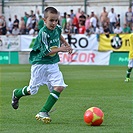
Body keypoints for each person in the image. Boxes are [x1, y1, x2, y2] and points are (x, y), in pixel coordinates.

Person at [11, 6, 73, 124]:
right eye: (51, 20)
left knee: (59, 87)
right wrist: (61, 48)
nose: (54, 23)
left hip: (53, 63)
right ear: (44, 20)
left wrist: (66, 44)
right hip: (40, 64)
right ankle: (16, 93)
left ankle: (43, 111)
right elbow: (46, 52)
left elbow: (59, 33)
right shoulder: (43, 33)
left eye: (56, 20)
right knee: (31, 90)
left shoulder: (57, 28)